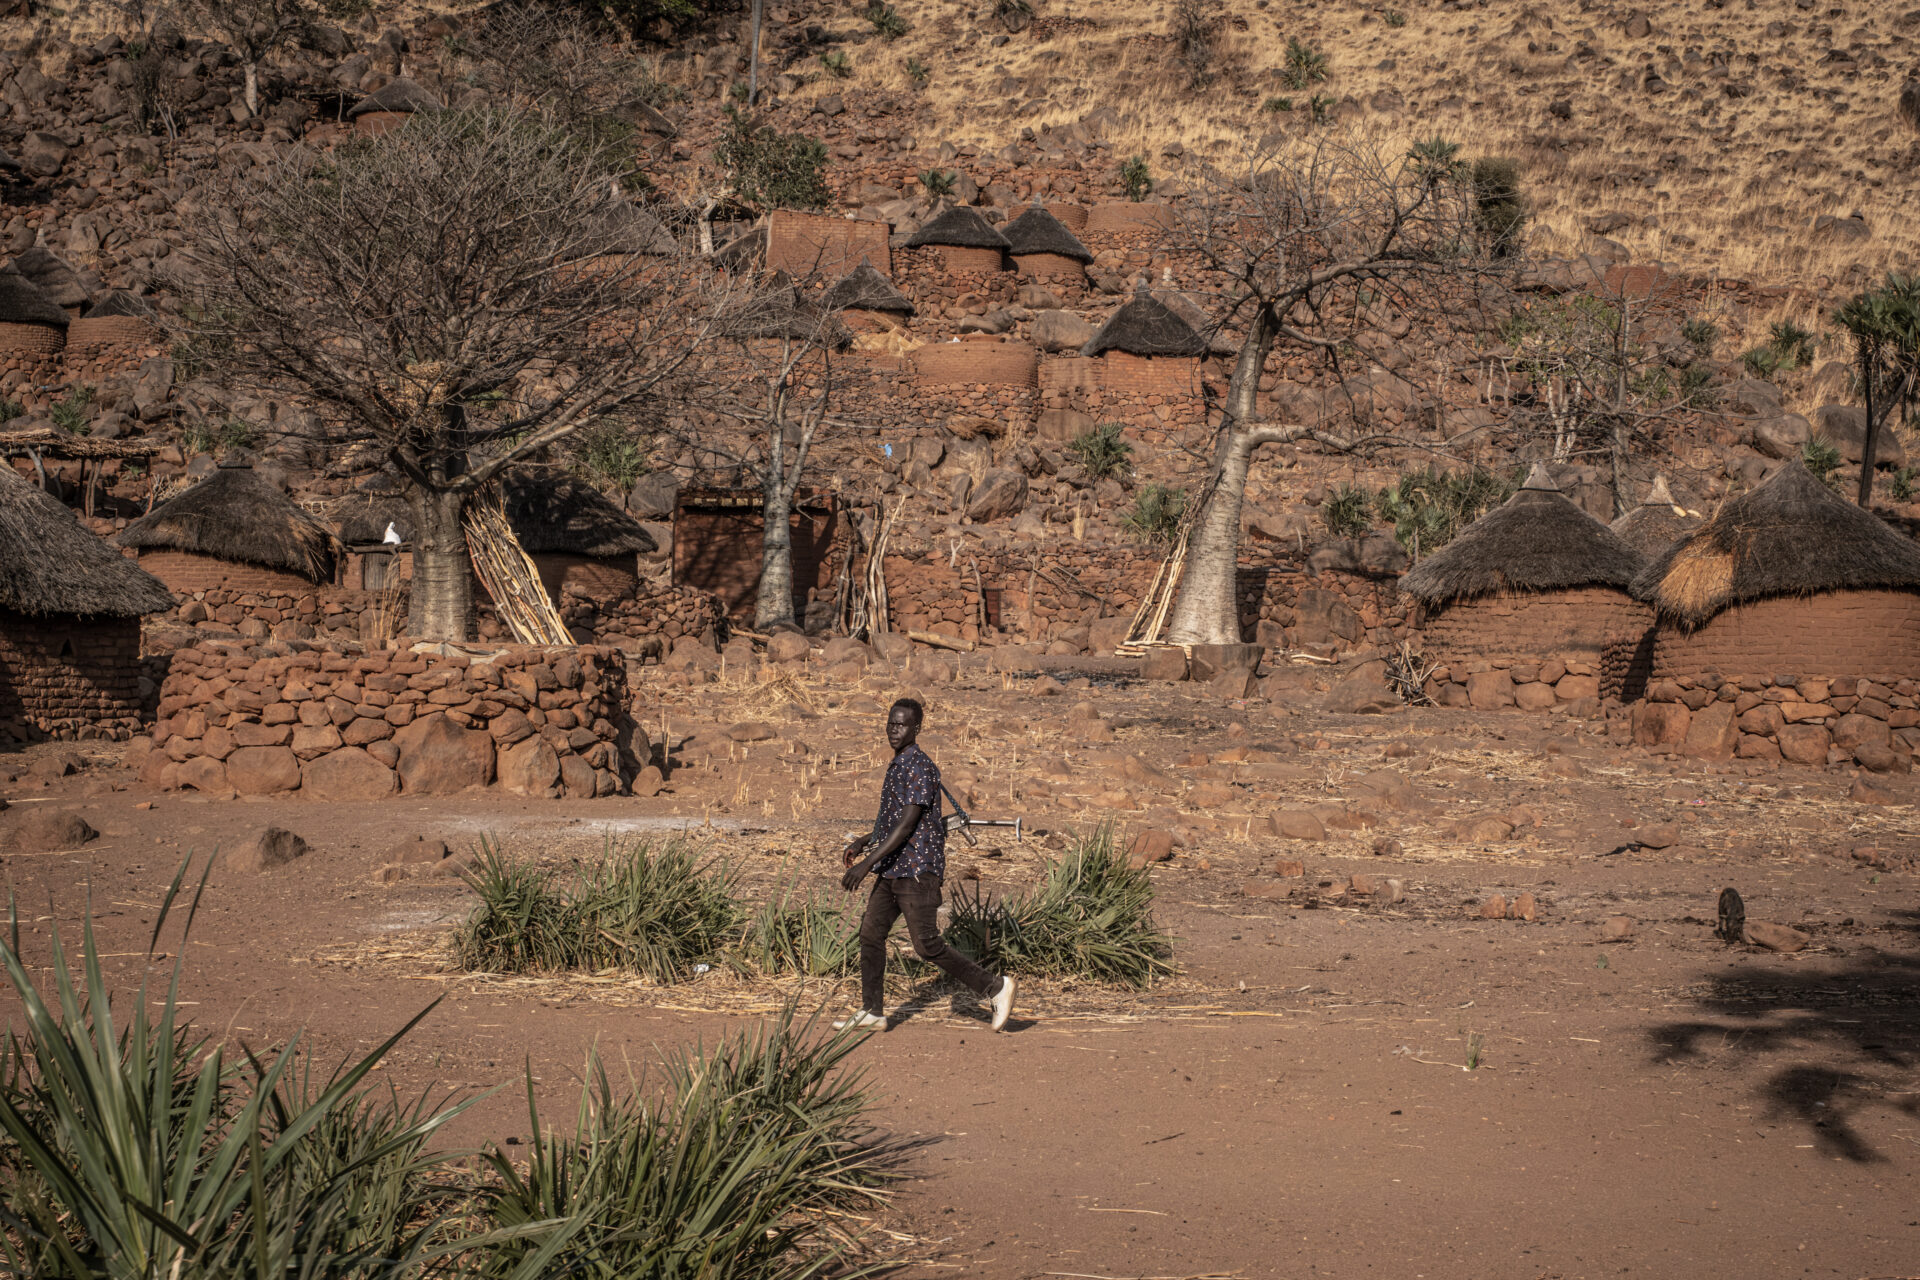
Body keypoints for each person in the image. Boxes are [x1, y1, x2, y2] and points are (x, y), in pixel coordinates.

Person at [836, 697, 1016, 1032]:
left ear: (917, 728)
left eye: (902, 724)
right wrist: (863, 842)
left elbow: (907, 825)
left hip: (917, 871)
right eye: (891, 723)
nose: (894, 730)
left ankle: (996, 988)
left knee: (927, 944)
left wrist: (865, 866)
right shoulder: (900, 763)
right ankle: (872, 1011)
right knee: (871, 935)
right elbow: (893, 822)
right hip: (893, 868)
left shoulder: (919, 766)